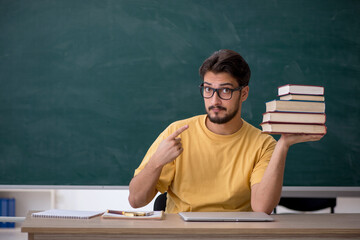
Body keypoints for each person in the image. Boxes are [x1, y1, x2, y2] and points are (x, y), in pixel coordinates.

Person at [128, 49, 324, 214]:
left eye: (225, 91)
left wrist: (282, 145)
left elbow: (262, 208)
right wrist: (156, 163)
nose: (214, 101)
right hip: (183, 234)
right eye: (208, 89)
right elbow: (136, 201)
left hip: (237, 235)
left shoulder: (262, 144)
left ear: (244, 93)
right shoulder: (177, 133)